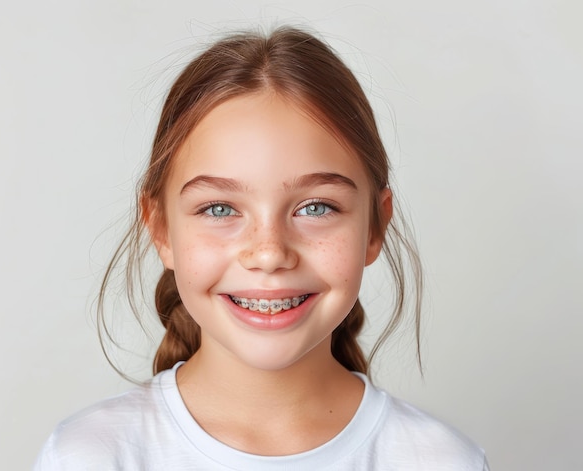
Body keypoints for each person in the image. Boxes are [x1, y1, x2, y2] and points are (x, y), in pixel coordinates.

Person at [35, 26, 489, 470]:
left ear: (375, 227)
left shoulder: (440, 462)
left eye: (315, 208)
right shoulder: (88, 457)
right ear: (160, 229)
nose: (269, 254)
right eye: (218, 209)